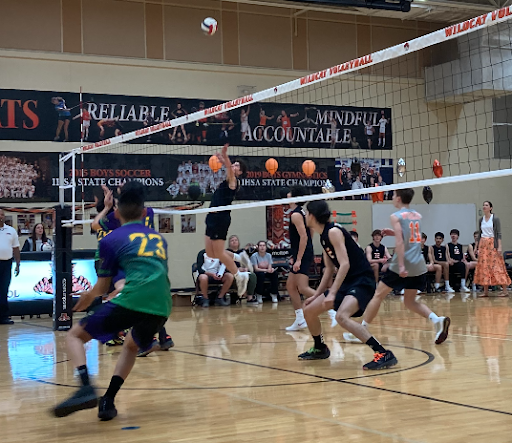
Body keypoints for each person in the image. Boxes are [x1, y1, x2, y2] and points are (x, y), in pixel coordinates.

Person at [52, 184, 172, 420]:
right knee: (130, 346)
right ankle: (108, 400)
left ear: (116, 214)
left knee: (75, 335)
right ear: (144, 212)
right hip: (163, 304)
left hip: (134, 298)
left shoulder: (111, 239)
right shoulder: (160, 239)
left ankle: (86, 386)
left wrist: (88, 296)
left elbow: (102, 287)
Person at [343, 189, 451, 346]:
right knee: (409, 301)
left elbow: (400, 242)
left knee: (378, 295)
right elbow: (411, 236)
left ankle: (361, 331)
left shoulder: (396, 216)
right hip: (418, 263)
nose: (392, 198)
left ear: (398, 198)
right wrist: (393, 233)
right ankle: (437, 320)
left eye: (393, 195)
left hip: (405, 261)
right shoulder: (416, 215)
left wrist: (400, 265)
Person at [298, 200, 397, 370]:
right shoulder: (323, 236)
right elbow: (329, 269)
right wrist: (316, 295)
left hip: (362, 279)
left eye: (306, 213)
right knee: (309, 310)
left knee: (341, 317)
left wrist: (331, 294)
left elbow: (344, 264)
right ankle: (320, 348)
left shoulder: (334, 232)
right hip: (348, 281)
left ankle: (382, 352)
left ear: (312, 216)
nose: (305, 216)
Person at [204, 144, 250, 296]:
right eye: (234, 164)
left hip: (221, 219)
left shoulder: (233, 182)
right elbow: (228, 168)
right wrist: (223, 160)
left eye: (237, 166)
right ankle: (239, 257)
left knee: (219, 252)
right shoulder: (227, 178)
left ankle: (239, 276)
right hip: (211, 216)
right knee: (211, 253)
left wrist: (225, 155)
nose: (234, 166)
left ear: (240, 172)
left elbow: (229, 170)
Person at [285, 187, 323, 330]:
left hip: (302, 254)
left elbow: (304, 236)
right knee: (290, 286)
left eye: (289, 193)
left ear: (294, 197)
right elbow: (311, 230)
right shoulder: (303, 212)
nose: (287, 195)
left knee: (302, 287)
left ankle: (333, 304)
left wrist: (299, 259)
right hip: (303, 252)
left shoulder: (296, 215)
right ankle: (300, 319)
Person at [474, 201, 511, 297]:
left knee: (497, 266)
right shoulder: (481, 219)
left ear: (491, 208)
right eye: (483, 205)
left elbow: (498, 233)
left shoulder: (495, 219)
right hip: (483, 244)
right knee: (484, 267)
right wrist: (476, 247)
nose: (484, 207)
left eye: (486, 205)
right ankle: (485, 291)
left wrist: (499, 247)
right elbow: (479, 234)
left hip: (492, 244)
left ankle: (504, 290)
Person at [0, 209, 20, 325]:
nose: (1, 216)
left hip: (7, 263)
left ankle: (3, 316)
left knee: (4, 290)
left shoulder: (11, 231)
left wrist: (18, 264)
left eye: (2, 214)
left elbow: (16, 248)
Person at [227, 235, 257, 304]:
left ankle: (250, 297)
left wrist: (246, 268)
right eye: (232, 240)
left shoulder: (243, 252)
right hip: (231, 271)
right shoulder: (227, 252)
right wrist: (236, 269)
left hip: (242, 271)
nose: (234, 242)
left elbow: (247, 263)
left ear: (238, 242)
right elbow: (225, 265)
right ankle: (238, 294)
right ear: (229, 243)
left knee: (252, 276)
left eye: (236, 240)